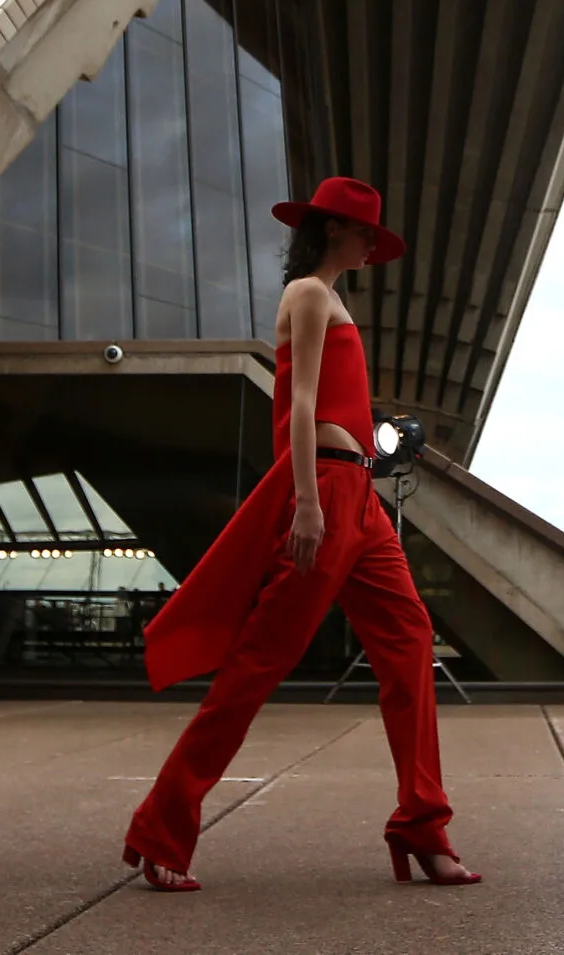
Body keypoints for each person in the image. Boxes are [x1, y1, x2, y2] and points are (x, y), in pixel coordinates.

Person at [123, 177, 475, 891]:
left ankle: (421, 824)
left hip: (361, 499)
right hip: (327, 490)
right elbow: (303, 406)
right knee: (258, 662)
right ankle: (161, 826)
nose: (374, 244)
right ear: (333, 229)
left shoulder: (332, 297)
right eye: (365, 231)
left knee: (409, 645)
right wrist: (308, 503)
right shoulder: (309, 294)